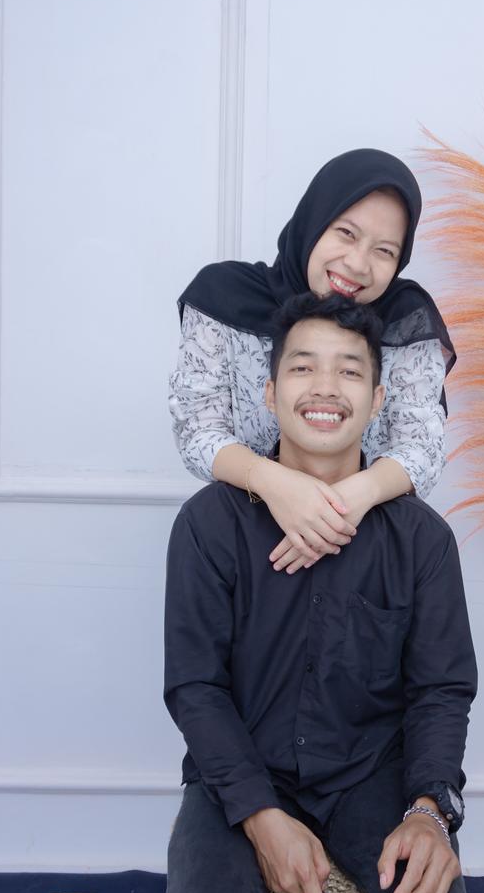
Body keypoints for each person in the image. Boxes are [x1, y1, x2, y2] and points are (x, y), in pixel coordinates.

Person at [160, 291, 478, 893]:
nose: (325, 387)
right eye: (303, 367)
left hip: (374, 776)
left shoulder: (422, 539)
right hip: (234, 777)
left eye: (350, 371)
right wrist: (260, 814)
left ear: (378, 399)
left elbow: (441, 690)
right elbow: (194, 689)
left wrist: (429, 808)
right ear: (269, 393)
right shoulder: (209, 524)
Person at [169, 149, 455, 575]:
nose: (357, 264)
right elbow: (198, 431)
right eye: (346, 233)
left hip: (364, 544)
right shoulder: (224, 295)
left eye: (384, 251)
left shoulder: (404, 318)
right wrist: (277, 485)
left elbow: (421, 449)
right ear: (314, 220)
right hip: (243, 542)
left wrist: (349, 500)